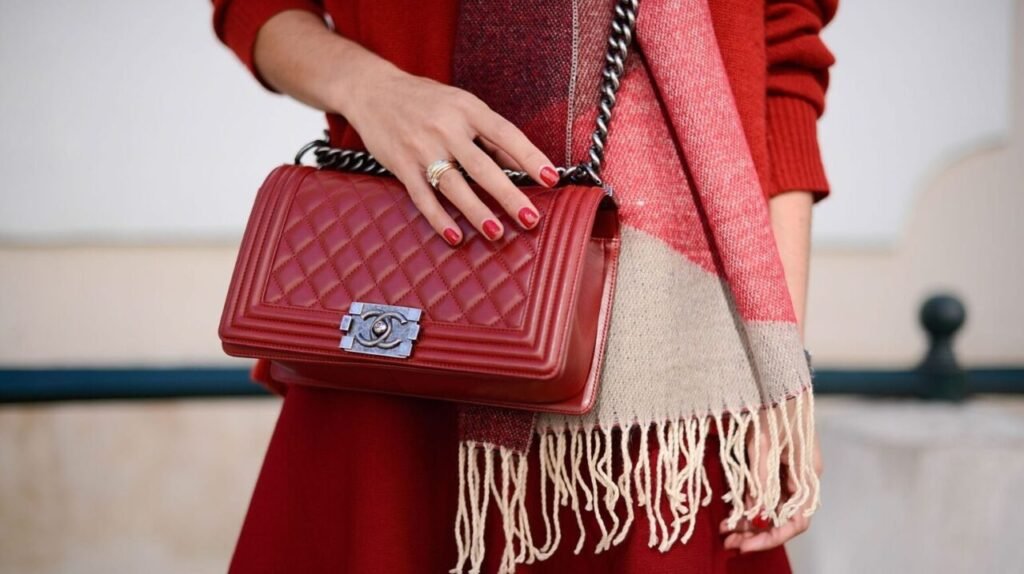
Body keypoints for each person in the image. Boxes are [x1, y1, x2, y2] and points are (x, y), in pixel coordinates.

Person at [212, 1, 837, 572]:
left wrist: (781, 370)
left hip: (676, 384)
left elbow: (781, 62)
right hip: (403, 331)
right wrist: (370, 89)